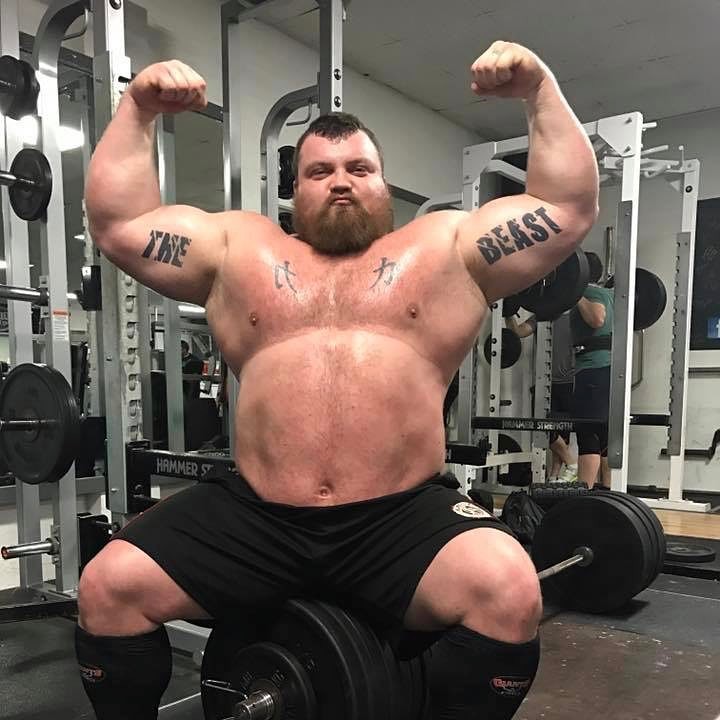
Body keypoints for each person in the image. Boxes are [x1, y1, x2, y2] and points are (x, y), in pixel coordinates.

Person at [77, 41, 599, 720]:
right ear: (296, 190)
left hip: (397, 517)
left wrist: (539, 89)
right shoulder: (239, 250)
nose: (341, 180)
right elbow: (118, 224)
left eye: (360, 167)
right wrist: (137, 109)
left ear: (385, 181)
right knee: (108, 585)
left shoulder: (445, 249)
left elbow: (566, 207)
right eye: (320, 171)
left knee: (508, 589)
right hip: (256, 515)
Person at [506, 309, 577, 482]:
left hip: (571, 382)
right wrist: (508, 312)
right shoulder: (542, 314)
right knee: (544, 429)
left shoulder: (577, 317)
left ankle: (555, 476)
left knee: (562, 433)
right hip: (545, 382)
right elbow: (518, 332)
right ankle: (572, 463)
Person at [569, 251, 614, 488]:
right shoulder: (613, 294)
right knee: (605, 434)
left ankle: (582, 496)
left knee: (588, 433)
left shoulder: (588, 293)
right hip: (609, 372)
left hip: (593, 370)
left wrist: (574, 292)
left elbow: (597, 318)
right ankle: (607, 493)